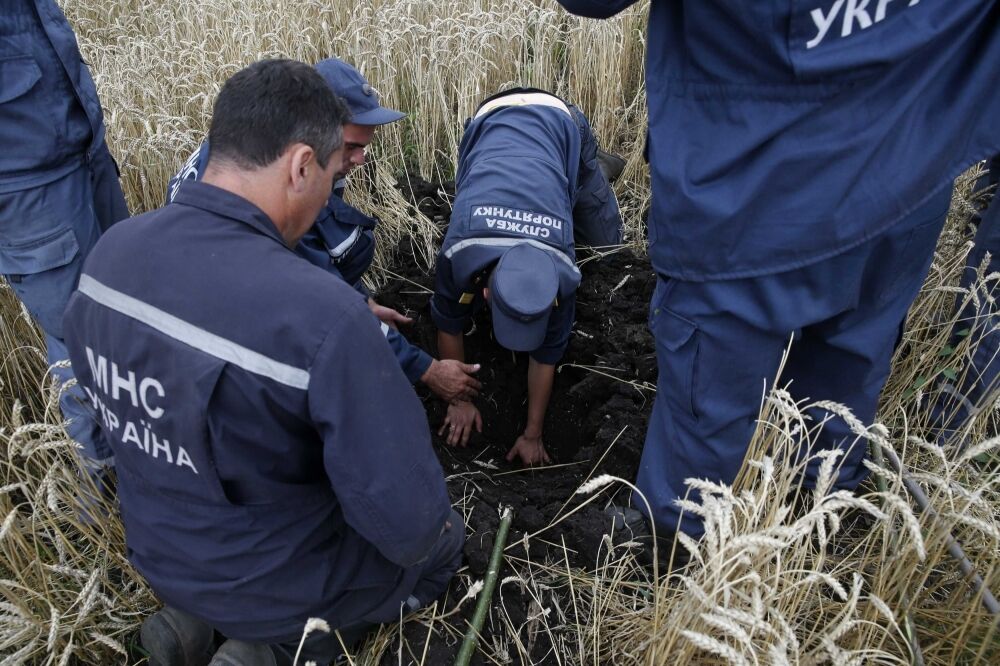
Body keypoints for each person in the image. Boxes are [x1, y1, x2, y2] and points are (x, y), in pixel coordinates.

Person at [63, 59, 463, 666]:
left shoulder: (108, 259)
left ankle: (192, 619)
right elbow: (404, 519)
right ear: (302, 165)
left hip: (158, 553)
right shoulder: (323, 315)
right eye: (333, 172)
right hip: (280, 585)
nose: (333, 188)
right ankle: (275, 647)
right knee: (437, 551)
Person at [554, 1, 1000, 539]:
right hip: (904, 174)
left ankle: (674, 544)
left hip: (754, 183)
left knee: (709, 403)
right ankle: (811, 531)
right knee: (847, 374)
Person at [166, 57, 480, 404]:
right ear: (311, 131)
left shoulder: (258, 147)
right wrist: (428, 370)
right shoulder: (274, 199)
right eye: (352, 147)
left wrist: (366, 303)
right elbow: (324, 303)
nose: (360, 159)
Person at [432, 88, 623, 465]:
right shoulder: (458, 255)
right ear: (485, 294)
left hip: (559, 122)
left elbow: (546, 356)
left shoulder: (563, 273)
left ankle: (592, 169)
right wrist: (460, 399)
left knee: (607, 249)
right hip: (489, 122)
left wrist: (533, 433)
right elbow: (448, 325)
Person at [0, 0, 129, 472]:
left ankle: (143, 453)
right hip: (25, 182)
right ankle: (100, 495)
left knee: (126, 303)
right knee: (83, 339)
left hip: (80, 138)